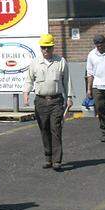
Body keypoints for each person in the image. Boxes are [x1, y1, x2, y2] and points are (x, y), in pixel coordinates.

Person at [23, 33, 72, 171]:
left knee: (56, 129)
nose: (46, 50)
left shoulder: (60, 61)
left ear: (53, 47)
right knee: (44, 129)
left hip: (56, 101)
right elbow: (29, 80)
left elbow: (67, 80)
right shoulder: (35, 63)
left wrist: (69, 97)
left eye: (48, 47)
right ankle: (48, 157)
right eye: (43, 47)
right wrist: (26, 93)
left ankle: (57, 160)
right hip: (41, 101)